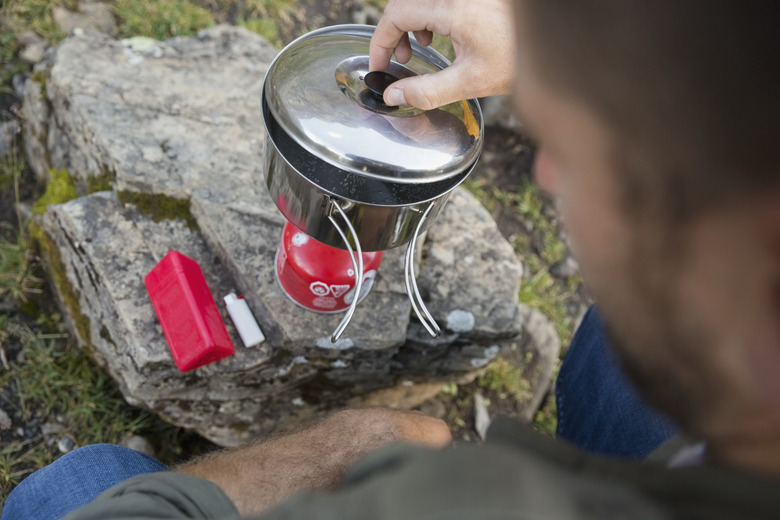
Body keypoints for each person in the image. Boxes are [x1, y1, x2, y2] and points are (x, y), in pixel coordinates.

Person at [4, 0, 780, 517]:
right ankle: (591, 452)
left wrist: (347, 451)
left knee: (74, 485)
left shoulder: (458, 500)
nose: (547, 172)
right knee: (610, 354)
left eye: (602, 156)